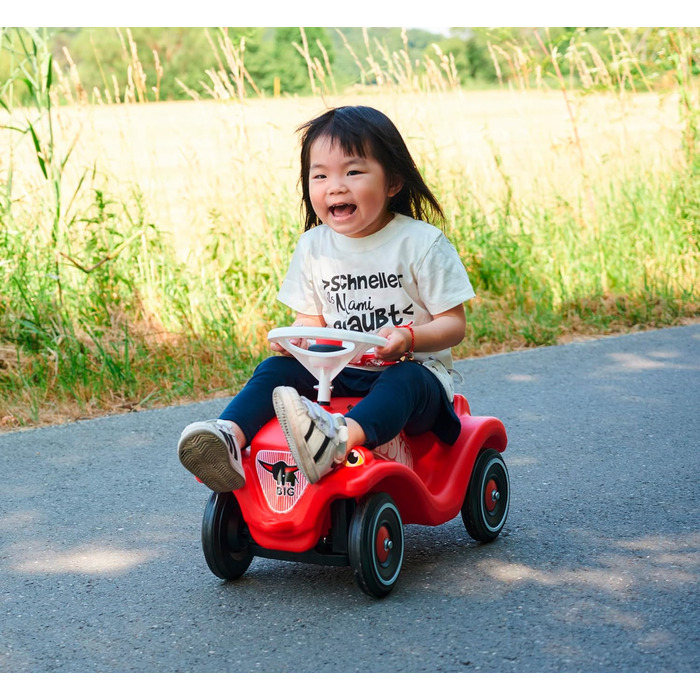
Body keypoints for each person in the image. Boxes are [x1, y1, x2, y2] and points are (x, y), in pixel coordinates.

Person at [177, 105, 475, 491]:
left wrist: (410, 338)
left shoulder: (420, 243)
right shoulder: (314, 246)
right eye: (320, 175)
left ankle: (337, 439)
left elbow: (455, 324)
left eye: (352, 172)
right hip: (335, 371)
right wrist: (300, 336)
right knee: (275, 371)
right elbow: (311, 318)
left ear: (393, 182)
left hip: (413, 375)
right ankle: (228, 436)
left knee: (405, 379)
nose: (335, 186)